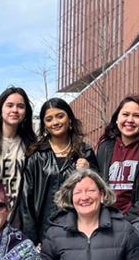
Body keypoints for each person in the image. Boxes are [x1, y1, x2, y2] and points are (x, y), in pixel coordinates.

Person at [16, 98, 98, 244]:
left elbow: (99, 191)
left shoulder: (85, 151)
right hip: (44, 233)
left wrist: (89, 171)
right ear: (44, 125)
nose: (55, 122)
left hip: (79, 231)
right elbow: (26, 200)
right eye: (49, 119)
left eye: (60, 116)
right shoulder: (37, 155)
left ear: (70, 119)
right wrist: (32, 238)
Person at [0, 86, 36, 207]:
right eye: (9, 105)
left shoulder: (32, 145)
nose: (15, 110)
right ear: (0, 109)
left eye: (20, 106)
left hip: (20, 216)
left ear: (25, 112)